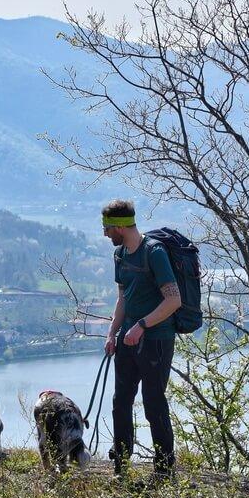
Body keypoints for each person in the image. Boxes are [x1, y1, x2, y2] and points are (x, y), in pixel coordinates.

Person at [102, 199, 181, 476]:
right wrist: (113, 333)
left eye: (107, 227)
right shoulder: (120, 254)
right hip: (127, 339)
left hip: (156, 340)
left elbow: (173, 301)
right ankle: (121, 463)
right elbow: (123, 297)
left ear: (120, 226)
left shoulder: (154, 252)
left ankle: (163, 468)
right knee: (120, 400)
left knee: (153, 402)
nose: (105, 233)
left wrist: (142, 326)